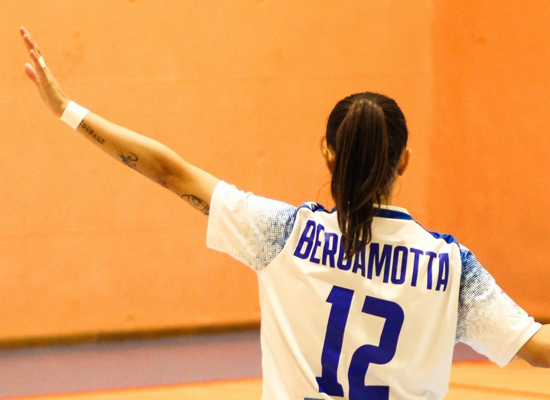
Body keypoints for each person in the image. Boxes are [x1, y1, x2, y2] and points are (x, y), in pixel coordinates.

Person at [20, 26, 549, 400]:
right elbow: (537, 348)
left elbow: (170, 171)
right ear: (405, 160)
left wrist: (66, 109)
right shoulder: (451, 268)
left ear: (327, 153)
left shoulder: (284, 235)